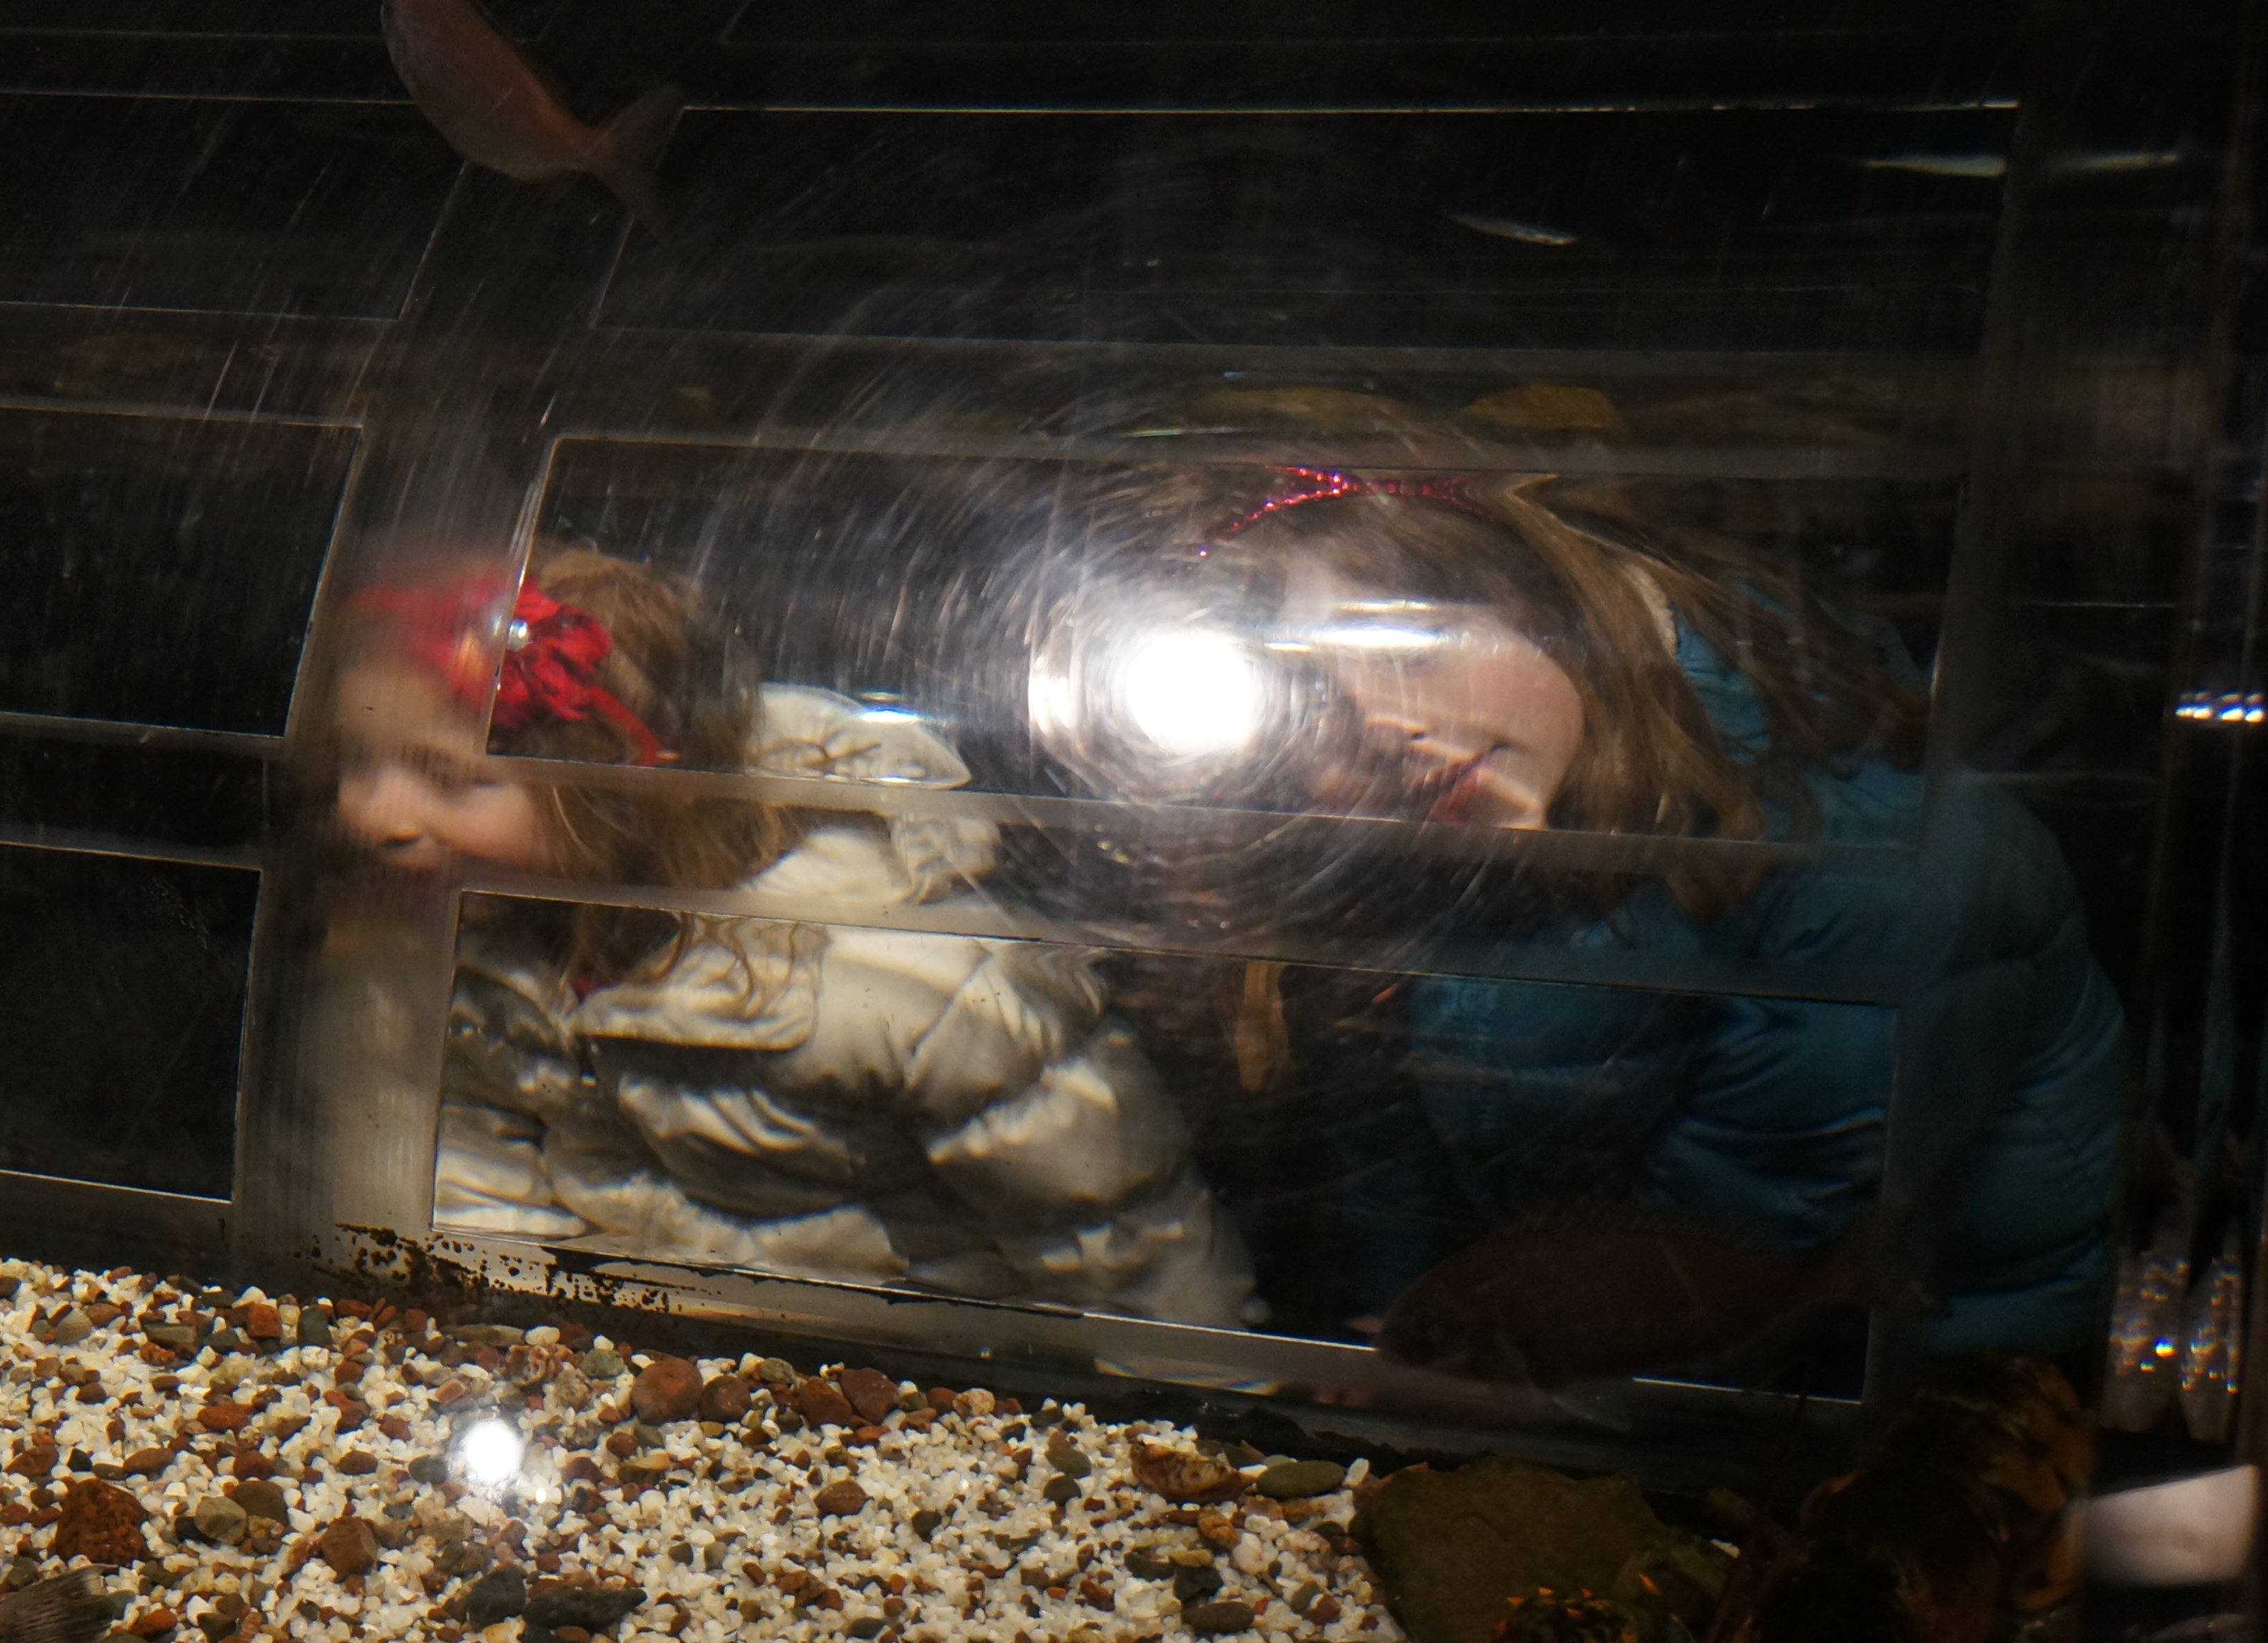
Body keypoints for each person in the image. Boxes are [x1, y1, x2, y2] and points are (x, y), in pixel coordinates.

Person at [1134, 459, 2126, 1357]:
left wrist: (1483, 1369)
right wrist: (1399, 1328)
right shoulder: (1446, 844)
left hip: (1919, 1372)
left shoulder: (1855, 864)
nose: (1388, 723)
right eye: (1314, 710)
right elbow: (1391, 1146)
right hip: (1601, 1359)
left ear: (1543, 600)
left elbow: (1740, 1250)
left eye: (1415, 646)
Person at [335, 548, 1262, 1329]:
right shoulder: (486, 945)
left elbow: (1114, 1229)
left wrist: (1192, 1405)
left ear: (627, 790)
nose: (369, 815)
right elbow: (474, 1177)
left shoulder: (904, 975)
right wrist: (507, 1338)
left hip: (923, 1371)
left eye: (448, 778)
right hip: (651, 1360)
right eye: (354, 759)